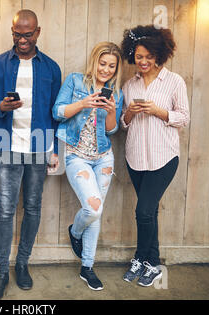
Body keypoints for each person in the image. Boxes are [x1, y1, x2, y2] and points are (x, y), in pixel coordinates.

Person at [0, 9, 61, 300]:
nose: (22, 39)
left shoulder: (51, 68)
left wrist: (53, 150)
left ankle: (22, 264)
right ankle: (2, 272)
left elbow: (55, 114)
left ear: (37, 32)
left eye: (28, 34)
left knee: (33, 207)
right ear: (12, 31)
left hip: (40, 147)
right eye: (17, 34)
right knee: (4, 210)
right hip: (7, 145)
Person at [120, 25, 189, 287]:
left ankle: (143, 259)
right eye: (139, 57)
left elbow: (184, 117)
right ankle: (152, 263)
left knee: (143, 210)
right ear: (132, 56)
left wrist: (159, 112)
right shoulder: (129, 85)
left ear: (160, 54)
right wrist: (131, 113)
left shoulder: (174, 81)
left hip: (164, 158)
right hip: (135, 157)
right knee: (149, 213)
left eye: (149, 56)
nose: (144, 61)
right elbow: (123, 123)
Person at [52, 42, 123, 290]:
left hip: (103, 157)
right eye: (102, 64)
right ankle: (75, 231)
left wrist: (112, 110)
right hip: (75, 155)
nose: (106, 70)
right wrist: (83, 104)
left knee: (97, 211)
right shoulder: (75, 81)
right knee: (92, 209)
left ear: (116, 69)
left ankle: (87, 267)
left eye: (111, 66)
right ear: (95, 62)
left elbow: (112, 129)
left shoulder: (116, 92)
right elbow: (57, 111)